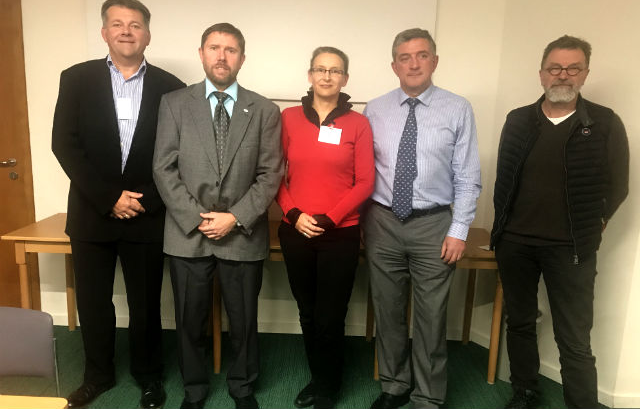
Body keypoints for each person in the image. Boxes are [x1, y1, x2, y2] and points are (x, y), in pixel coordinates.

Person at [51, 0, 184, 409]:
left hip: (146, 214)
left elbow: (179, 155)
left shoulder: (171, 87)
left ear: (147, 33)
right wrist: (109, 198)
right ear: (104, 32)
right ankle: (97, 376)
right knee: (93, 302)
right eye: (118, 23)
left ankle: (149, 377)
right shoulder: (75, 78)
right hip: (92, 213)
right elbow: (65, 145)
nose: (126, 30)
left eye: (135, 24)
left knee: (146, 306)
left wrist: (145, 201)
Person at [490, 35, 629, 409]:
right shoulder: (518, 120)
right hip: (515, 244)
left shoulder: (604, 122)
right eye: (555, 68)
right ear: (541, 74)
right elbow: (503, 181)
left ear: (585, 74)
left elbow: (618, 187)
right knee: (519, 323)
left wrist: (594, 222)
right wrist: (501, 233)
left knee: (574, 337)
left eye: (572, 68)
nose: (562, 75)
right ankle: (525, 391)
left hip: (571, 249)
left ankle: (581, 403)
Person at [153, 23, 283, 409]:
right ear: (201, 53)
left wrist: (235, 217)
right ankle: (194, 389)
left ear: (242, 57)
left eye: (230, 50)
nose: (222, 56)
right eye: (214, 48)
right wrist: (197, 217)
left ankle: (242, 386)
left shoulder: (265, 110)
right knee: (189, 319)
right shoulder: (175, 103)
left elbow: (270, 173)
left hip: (242, 233)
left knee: (243, 321)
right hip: (186, 232)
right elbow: (164, 168)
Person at [362, 28, 481, 409]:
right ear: (394, 64)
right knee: (388, 308)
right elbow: (363, 172)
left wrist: (459, 230)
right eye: (405, 57)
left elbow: (467, 176)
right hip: (382, 222)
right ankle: (395, 385)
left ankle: (428, 397)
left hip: (434, 225)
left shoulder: (458, 108)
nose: (414, 63)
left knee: (431, 317)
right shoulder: (374, 109)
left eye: (422, 55)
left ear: (435, 60)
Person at [276, 47, 375, 409]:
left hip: (340, 232)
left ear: (345, 79)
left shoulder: (358, 124)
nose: (327, 76)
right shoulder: (287, 118)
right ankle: (317, 377)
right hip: (296, 230)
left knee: (331, 313)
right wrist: (294, 215)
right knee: (307, 310)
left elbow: (365, 182)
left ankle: (328, 387)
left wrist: (330, 218)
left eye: (335, 71)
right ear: (310, 75)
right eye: (321, 69)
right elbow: (274, 175)